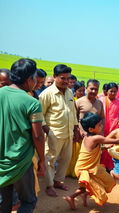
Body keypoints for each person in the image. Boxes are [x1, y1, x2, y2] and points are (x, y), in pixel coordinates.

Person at [0, 58, 45, 213]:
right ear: (29, 78)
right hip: (21, 160)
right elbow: (37, 135)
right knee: (28, 201)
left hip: (1, 159)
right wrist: (42, 160)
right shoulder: (31, 102)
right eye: (35, 76)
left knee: (3, 199)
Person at [64, 112, 119, 209]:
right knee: (93, 185)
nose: (102, 126)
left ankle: (79, 196)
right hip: (85, 169)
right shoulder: (96, 138)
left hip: (84, 167)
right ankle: (71, 197)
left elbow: (93, 150)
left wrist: (105, 148)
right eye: (99, 125)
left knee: (85, 187)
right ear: (91, 129)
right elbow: (116, 141)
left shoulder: (87, 137)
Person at [39, 64, 80, 197]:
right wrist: (48, 132)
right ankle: (49, 185)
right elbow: (40, 115)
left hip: (68, 133)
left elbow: (72, 111)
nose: (66, 81)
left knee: (65, 159)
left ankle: (58, 181)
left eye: (68, 78)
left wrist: (76, 128)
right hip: (53, 134)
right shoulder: (46, 94)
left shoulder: (69, 91)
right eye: (63, 78)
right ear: (55, 77)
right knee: (50, 160)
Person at [100, 82, 119, 171]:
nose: (113, 93)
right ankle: (101, 167)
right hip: (103, 129)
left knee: (112, 149)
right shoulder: (101, 100)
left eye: (115, 91)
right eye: (111, 91)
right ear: (107, 91)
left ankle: (110, 168)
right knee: (102, 149)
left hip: (114, 130)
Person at [66, 81, 86, 178]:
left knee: (80, 152)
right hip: (75, 129)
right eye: (80, 91)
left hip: (84, 130)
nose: (82, 93)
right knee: (73, 152)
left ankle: (77, 171)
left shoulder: (86, 100)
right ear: (75, 91)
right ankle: (71, 171)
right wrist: (76, 129)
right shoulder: (72, 100)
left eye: (83, 90)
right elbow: (74, 116)